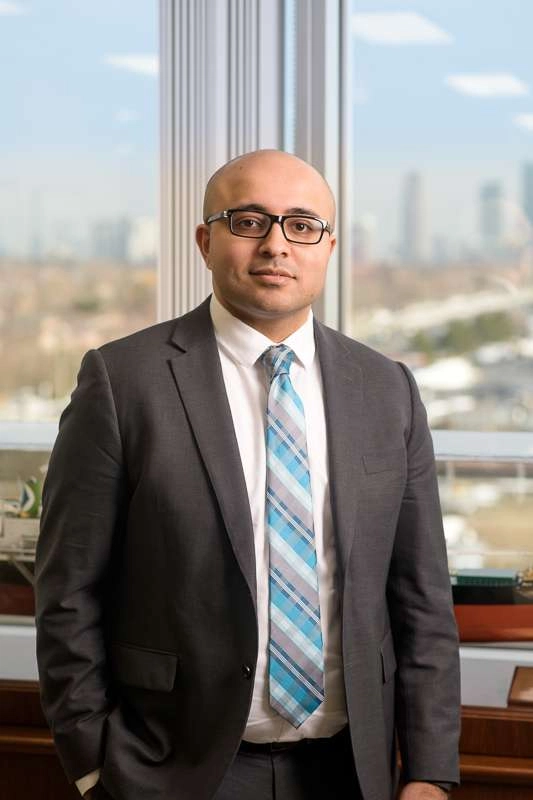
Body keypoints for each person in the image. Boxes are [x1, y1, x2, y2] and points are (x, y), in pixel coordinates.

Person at [35, 149, 460, 800]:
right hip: (172, 770)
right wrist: (95, 767)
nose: (275, 245)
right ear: (205, 241)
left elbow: (421, 596)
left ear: (328, 245)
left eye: (301, 225)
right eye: (248, 221)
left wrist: (429, 772)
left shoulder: (386, 388)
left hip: (351, 772)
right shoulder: (123, 382)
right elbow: (68, 589)